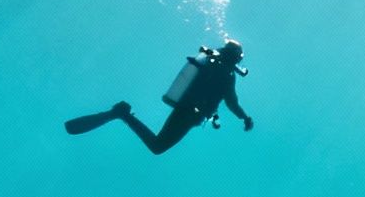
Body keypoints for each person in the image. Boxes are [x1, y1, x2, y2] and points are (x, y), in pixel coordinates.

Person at [66, 39, 254, 155]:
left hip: (185, 108)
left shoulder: (210, 63)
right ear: (236, 58)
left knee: (158, 146)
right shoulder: (227, 76)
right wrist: (245, 118)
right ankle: (123, 115)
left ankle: (122, 115)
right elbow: (232, 102)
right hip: (190, 114)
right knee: (158, 146)